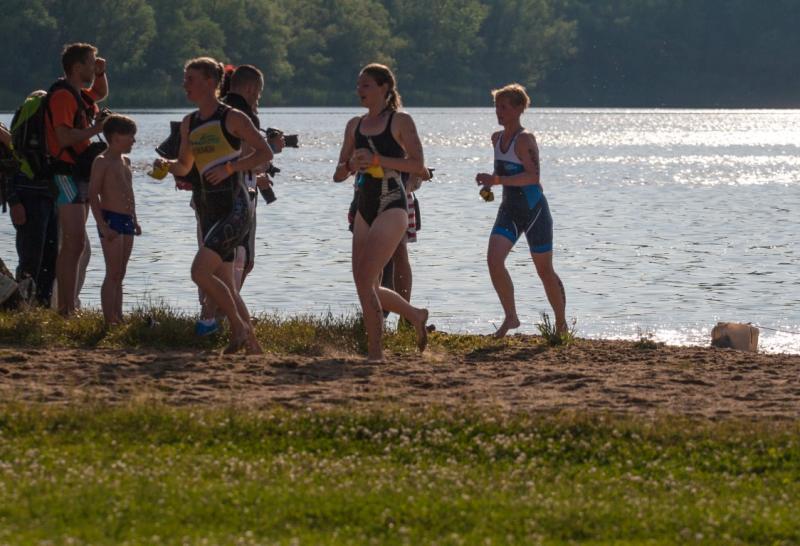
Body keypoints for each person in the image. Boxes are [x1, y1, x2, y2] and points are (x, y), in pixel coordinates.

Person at [156, 57, 272, 354]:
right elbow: (185, 166)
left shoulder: (232, 117)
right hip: (208, 208)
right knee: (226, 284)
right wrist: (165, 166)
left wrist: (231, 167)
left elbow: (265, 153)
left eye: (190, 78)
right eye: (185, 78)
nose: (185, 84)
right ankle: (253, 347)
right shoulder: (189, 122)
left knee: (199, 272)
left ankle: (238, 327)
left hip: (235, 207)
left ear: (210, 82)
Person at [333, 63, 429, 363]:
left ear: (384, 88)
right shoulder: (354, 125)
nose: (359, 90)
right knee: (366, 283)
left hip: (392, 203)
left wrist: (377, 159)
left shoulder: (400, 121)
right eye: (358, 85)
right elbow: (338, 174)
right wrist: (351, 165)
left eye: (366, 85)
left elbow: (418, 166)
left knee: (365, 279)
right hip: (364, 204)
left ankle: (375, 353)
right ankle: (415, 314)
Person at [193, 64, 283, 336]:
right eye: (259, 94)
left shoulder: (212, 113)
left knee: (217, 259)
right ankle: (212, 319)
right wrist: (269, 153)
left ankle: (222, 322)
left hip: (206, 196)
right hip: (237, 199)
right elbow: (247, 158)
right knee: (239, 261)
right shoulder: (241, 115)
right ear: (252, 89)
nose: (258, 99)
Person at [475, 83, 567, 338]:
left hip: (534, 211)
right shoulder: (496, 138)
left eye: (504, 107)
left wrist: (497, 180)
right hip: (509, 210)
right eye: (496, 107)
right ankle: (511, 317)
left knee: (544, 271)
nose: (499, 112)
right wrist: (489, 183)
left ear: (518, 109)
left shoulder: (525, 139)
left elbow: (533, 177)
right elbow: (501, 172)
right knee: (494, 261)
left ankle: (561, 324)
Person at [46, 43, 109, 315]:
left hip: (79, 173)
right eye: (91, 63)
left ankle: (67, 306)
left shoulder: (79, 95)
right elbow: (63, 137)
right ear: (76, 67)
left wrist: (101, 73)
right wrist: (97, 129)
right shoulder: (63, 96)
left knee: (77, 243)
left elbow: (100, 93)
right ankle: (65, 309)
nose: (95, 67)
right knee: (73, 242)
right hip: (64, 174)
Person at [88, 115, 139, 325]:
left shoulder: (125, 161)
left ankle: (119, 316)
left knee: (121, 272)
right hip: (111, 219)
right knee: (113, 272)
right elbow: (93, 195)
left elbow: (129, 192)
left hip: (127, 219)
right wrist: (102, 225)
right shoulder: (102, 161)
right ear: (116, 137)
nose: (134, 141)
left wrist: (135, 219)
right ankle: (109, 319)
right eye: (131, 136)